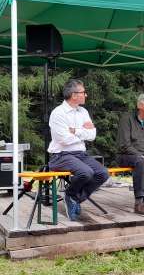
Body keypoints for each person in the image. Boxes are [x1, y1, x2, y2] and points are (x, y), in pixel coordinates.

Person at [48, 79, 109, 221]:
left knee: (102, 173)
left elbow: (92, 135)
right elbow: (64, 139)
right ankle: (72, 195)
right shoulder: (58, 113)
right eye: (83, 92)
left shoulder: (83, 111)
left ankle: (73, 197)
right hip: (61, 155)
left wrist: (75, 131)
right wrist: (83, 133)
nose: (85, 95)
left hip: (80, 154)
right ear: (74, 95)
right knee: (86, 172)